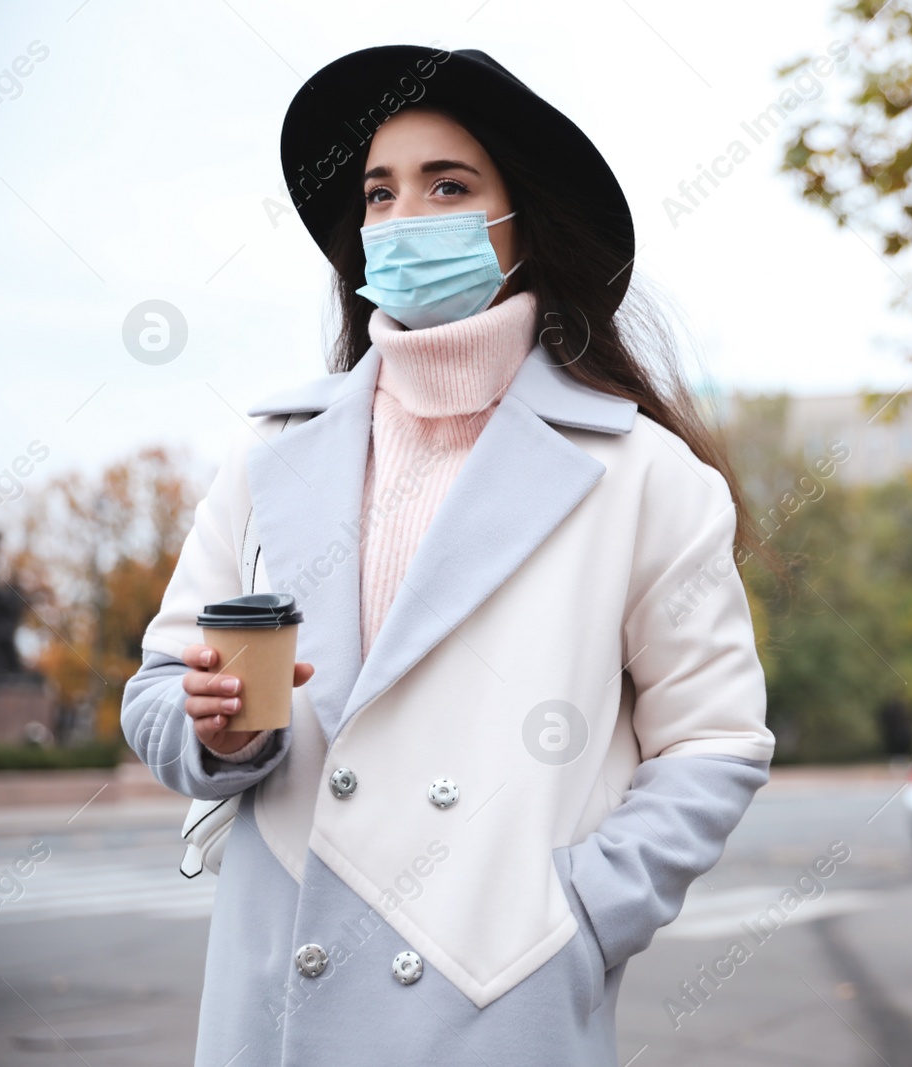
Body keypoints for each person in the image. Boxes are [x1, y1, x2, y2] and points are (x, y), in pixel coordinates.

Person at [121, 45, 775, 1065]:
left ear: (520, 222)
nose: (403, 215)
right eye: (380, 192)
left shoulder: (645, 476)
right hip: (277, 974)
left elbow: (714, 739)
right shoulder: (269, 454)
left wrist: (576, 919)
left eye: (448, 185)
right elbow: (160, 687)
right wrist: (224, 733)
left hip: (497, 989)